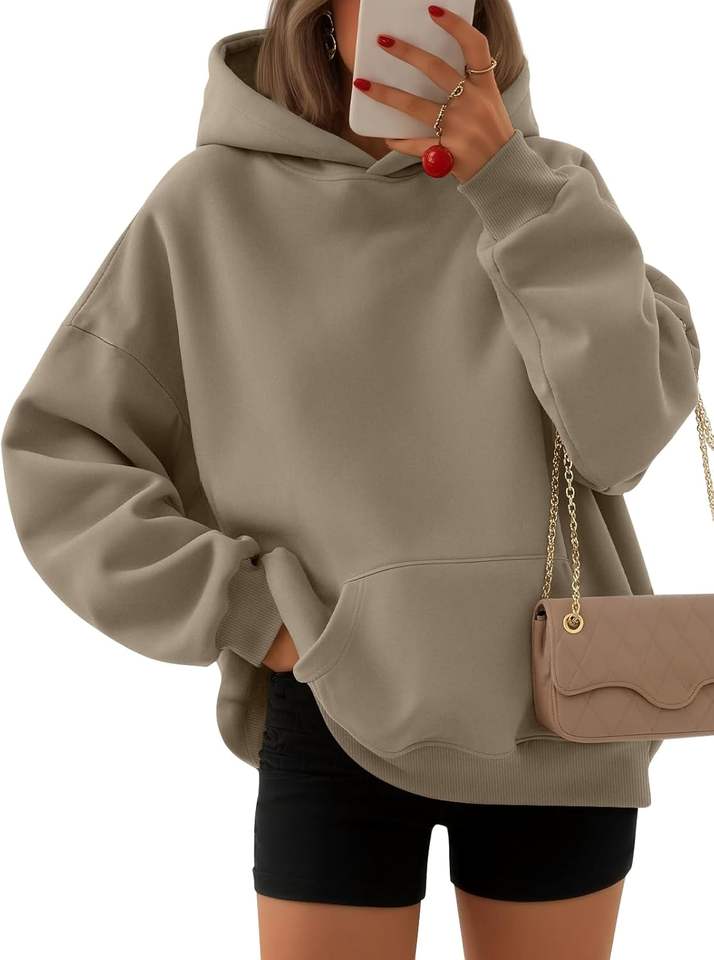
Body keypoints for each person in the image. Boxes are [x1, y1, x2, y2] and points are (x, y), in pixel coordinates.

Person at [1, 2, 701, 958]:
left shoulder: (552, 190)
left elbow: (624, 440)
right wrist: (254, 615)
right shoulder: (209, 205)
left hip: (560, 713)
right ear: (324, 18)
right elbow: (61, 452)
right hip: (336, 710)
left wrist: (506, 182)